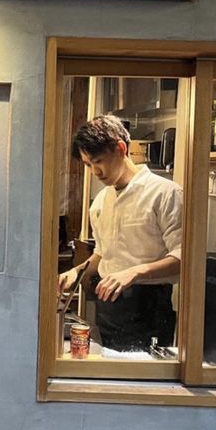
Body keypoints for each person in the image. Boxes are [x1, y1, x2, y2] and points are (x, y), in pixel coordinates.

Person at [57, 114, 183, 352]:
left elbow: (183, 258)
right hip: (108, 308)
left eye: (98, 161)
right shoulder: (101, 201)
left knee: (143, 373)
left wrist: (134, 273)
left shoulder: (166, 193)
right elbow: (103, 253)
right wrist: (75, 272)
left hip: (149, 306)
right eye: (88, 165)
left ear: (121, 148)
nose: (95, 171)